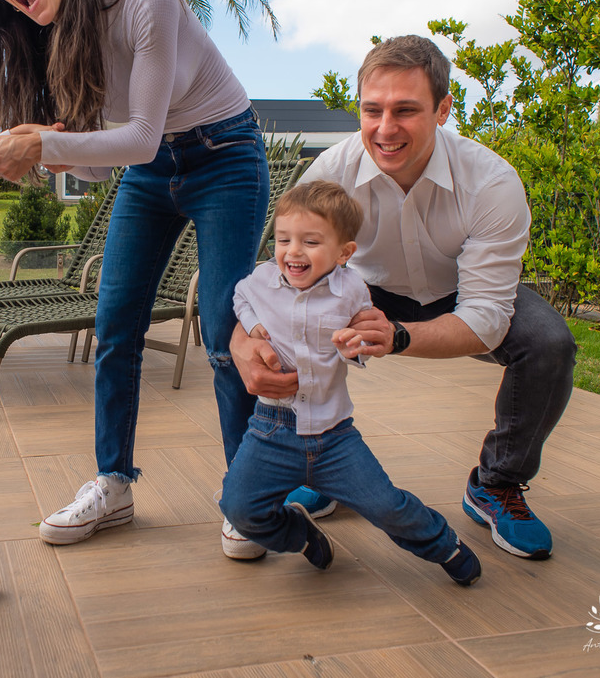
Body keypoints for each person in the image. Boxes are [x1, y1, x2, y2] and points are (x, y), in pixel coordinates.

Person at [0, 0, 270, 554]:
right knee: (114, 320)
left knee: (220, 325)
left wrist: (41, 143)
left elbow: (141, 136)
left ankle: (249, 492)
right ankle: (113, 482)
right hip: (150, 173)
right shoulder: (54, 40)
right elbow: (104, 170)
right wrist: (49, 149)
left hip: (224, 156)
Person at [231, 35, 576, 561]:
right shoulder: (330, 174)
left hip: (459, 294)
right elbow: (276, 279)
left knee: (549, 343)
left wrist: (398, 336)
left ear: (442, 110)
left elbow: (485, 318)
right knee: (292, 334)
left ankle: (495, 483)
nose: (385, 129)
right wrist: (241, 346)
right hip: (362, 293)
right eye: (373, 110)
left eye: (406, 111)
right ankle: (321, 464)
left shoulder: (491, 183)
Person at [219, 181, 481, 585]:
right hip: (270, 429)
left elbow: (362, 338)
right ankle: (301, 534)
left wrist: (353, 346)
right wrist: (253, 328)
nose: (292, 251)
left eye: (310, 242)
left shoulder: (351, 290)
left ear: (344, 253)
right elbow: (239, 297)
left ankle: (444, 544)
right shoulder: (260, 281)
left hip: (333, 436)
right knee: (238, 507)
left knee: (386, 505)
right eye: (283, 239)